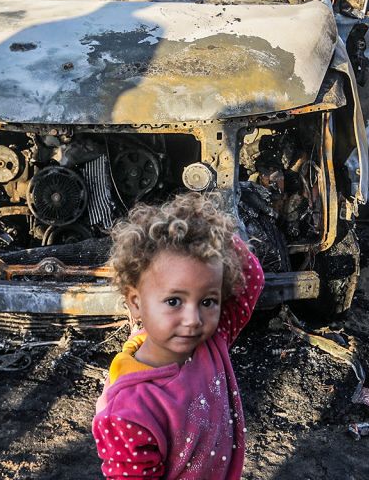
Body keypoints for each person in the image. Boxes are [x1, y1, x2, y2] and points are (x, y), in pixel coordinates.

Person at [93, 193, 264, 479]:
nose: (193, 320)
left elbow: (253, 278)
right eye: (174, 301)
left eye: (208, 301)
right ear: (135, 302)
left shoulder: (211, 342)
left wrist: (209, 231)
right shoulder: (128, 412)